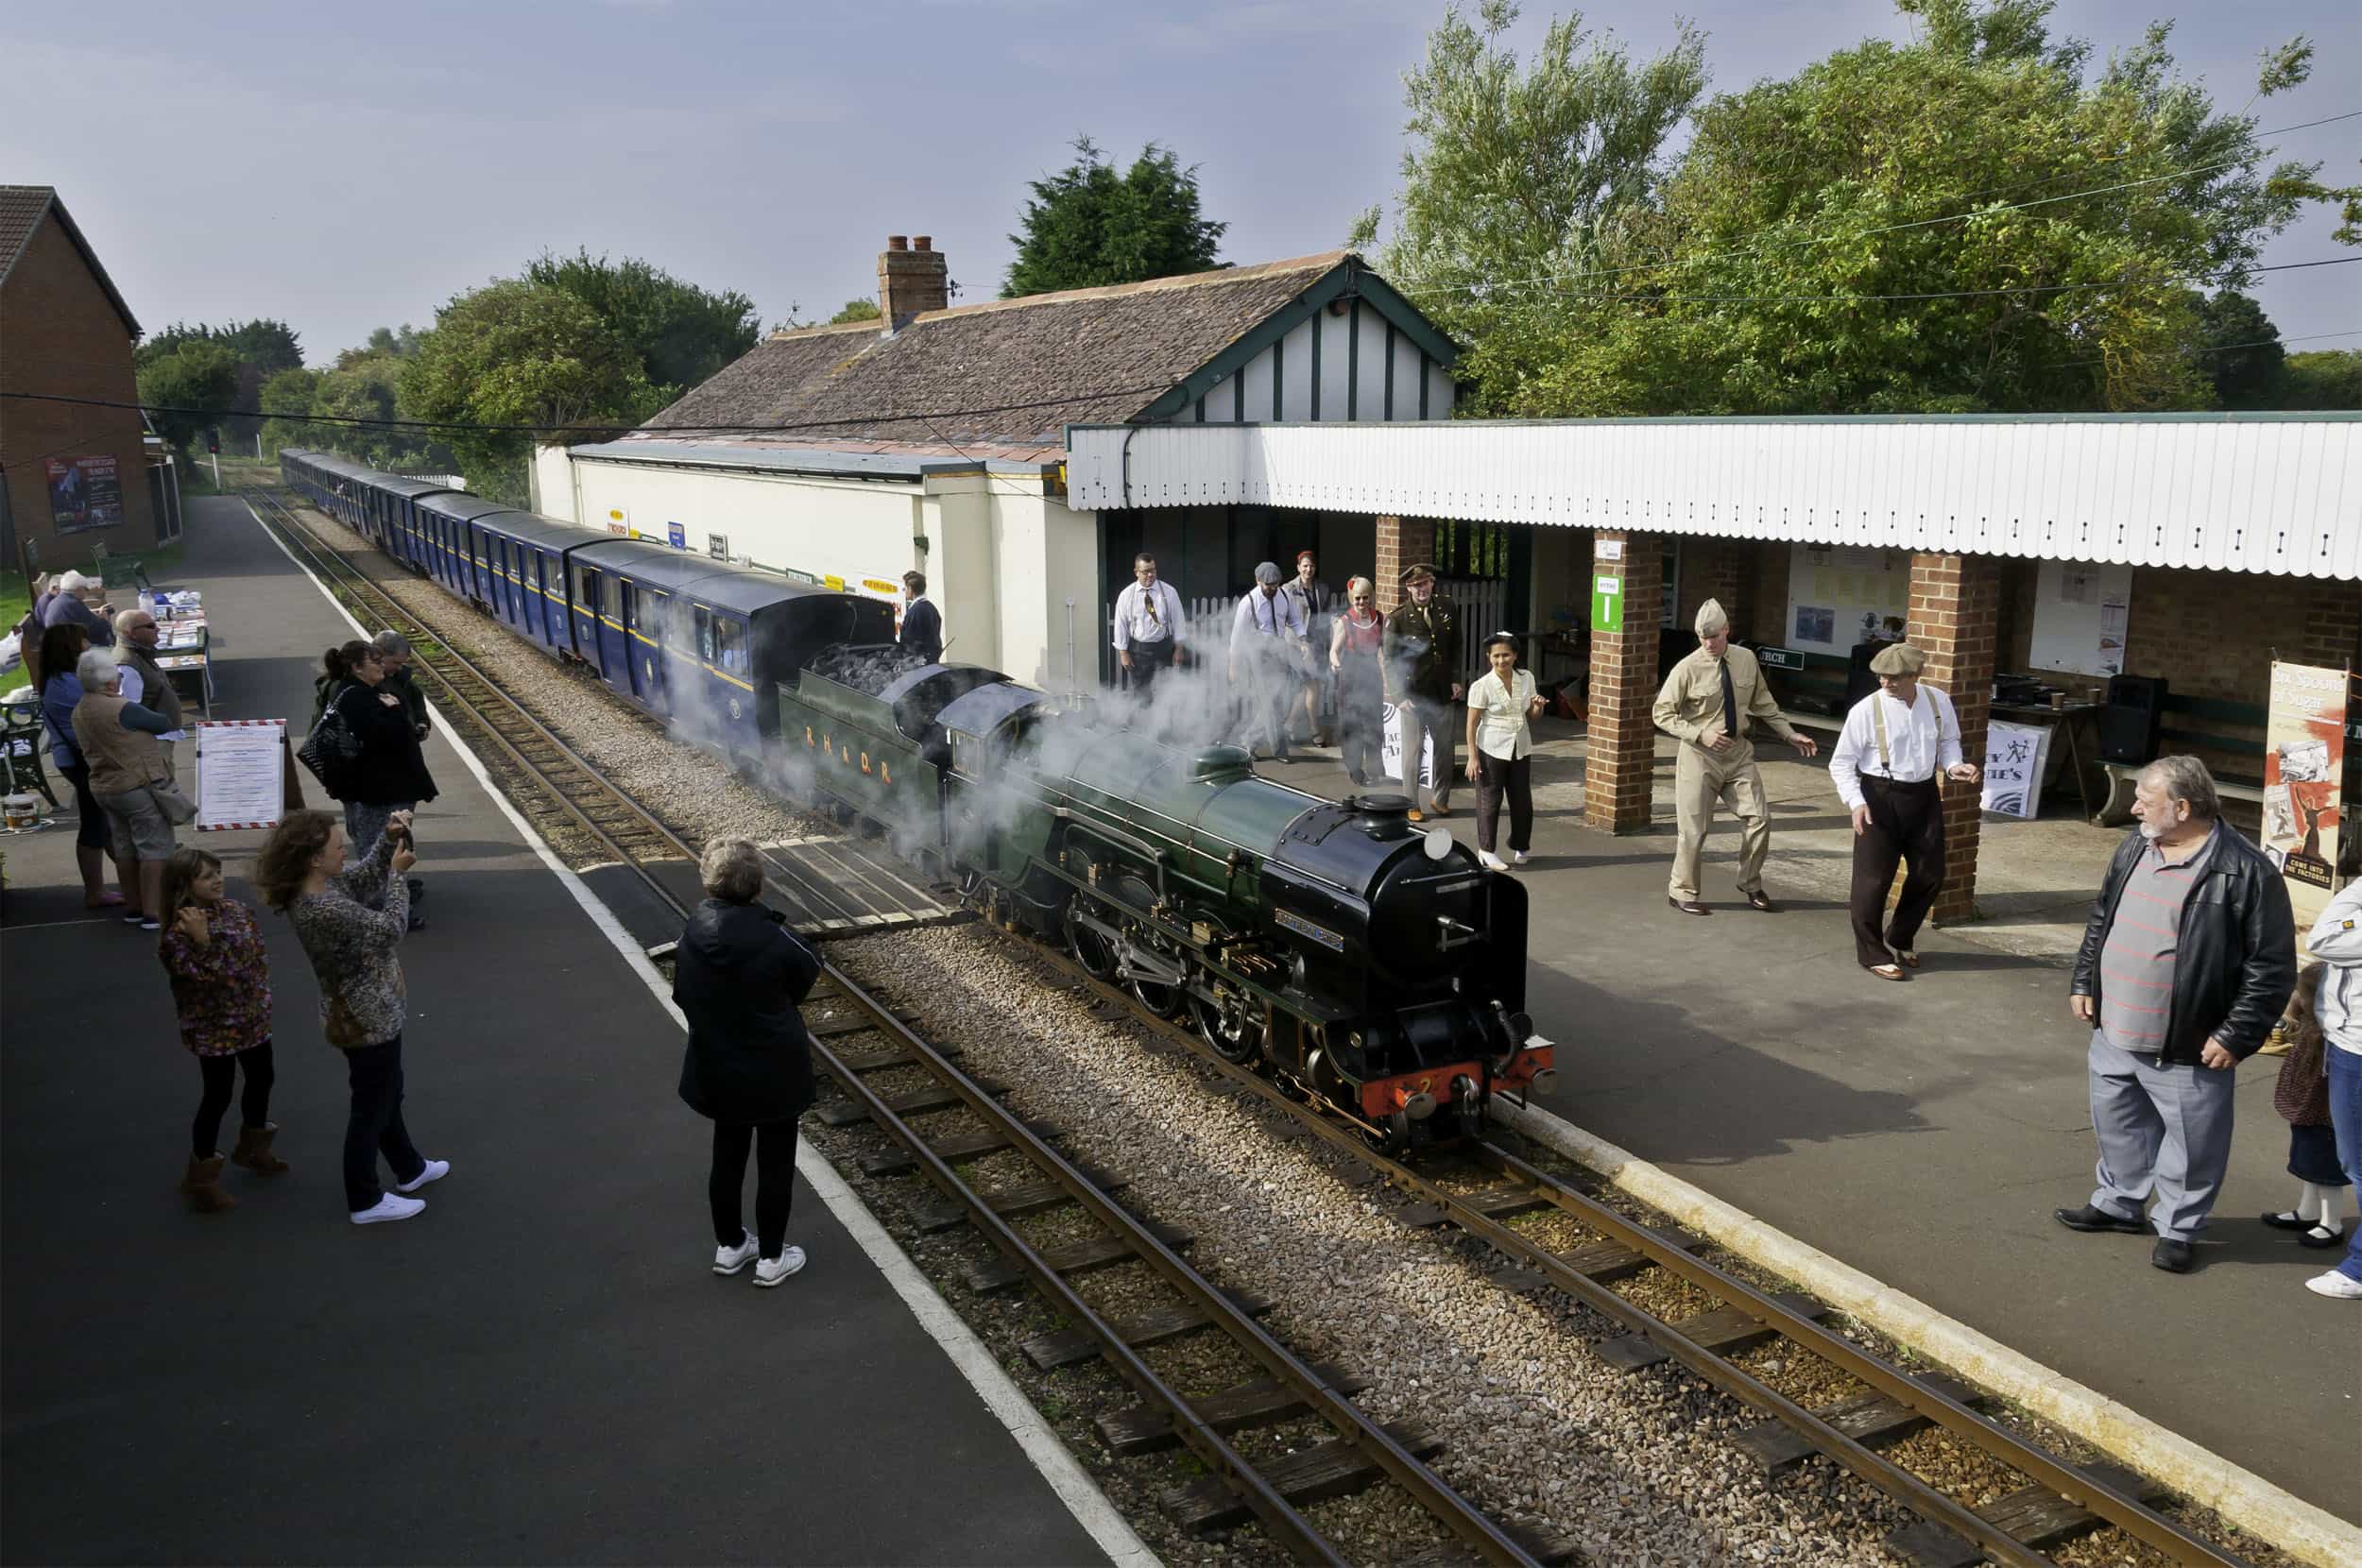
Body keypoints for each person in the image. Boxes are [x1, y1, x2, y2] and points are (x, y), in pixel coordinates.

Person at [2054, 756, 2296, 1274]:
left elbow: (2271, 967)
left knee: (2192, 1144)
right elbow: (2103, 917)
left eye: (2145, 797)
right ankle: (2118, 1204)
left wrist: (2236, 1034)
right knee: (2118, 1126)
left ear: (2182, 807)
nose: (2134, 804)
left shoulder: (2246, 870)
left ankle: (2179, 1227)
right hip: (2114, 1027)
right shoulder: (2134, 846)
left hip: (2189, 1040)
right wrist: (2084, 980)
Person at [256, 808, 445, 1226]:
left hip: (369, 1011)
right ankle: (364, 1198)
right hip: (364, 1018)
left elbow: (359, 879)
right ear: (313, 858)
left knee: (387, 1093)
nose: (344, 852)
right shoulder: (321, 907)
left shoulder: (319, 886)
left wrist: (386, 838)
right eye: (337, 847)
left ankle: (409, 1168)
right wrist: (398, 876)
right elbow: (390, 928)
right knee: (371, 1106)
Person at [675, 838, 818, 1287]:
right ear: (757, 886)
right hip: (775, 1068)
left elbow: (683, 994)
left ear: (709, 883)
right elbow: (807, 973)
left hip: (716, 1064)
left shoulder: (692, 933)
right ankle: (773, 1257)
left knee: (727, 1156)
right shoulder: (776, 938)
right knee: (776, 1162)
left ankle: (731, 1245)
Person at [1651, 598, 1820, 915]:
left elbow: (1763, 701)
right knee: (1693, 829)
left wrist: (1788, 733)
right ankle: (1682, 890)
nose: (1709, 643)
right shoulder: (1687, 668)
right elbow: (1661, 713)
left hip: (1738, 752)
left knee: (1759, 819)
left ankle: (1750, 883)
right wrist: (1700, 733)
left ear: (1727, 630)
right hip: (1700, 756)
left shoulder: (1745, 659)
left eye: (1714, 636)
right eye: (1703, 637)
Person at [1825, 641, 1980, 980]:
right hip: (1878, 796)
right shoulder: (1866, 711)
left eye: (1893, 678)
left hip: (1923, 794)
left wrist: (1955, 767)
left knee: (1930, 873)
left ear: (1915, 675)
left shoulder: (1939, 701)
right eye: (1881, 677)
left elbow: (1948, 742)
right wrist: (1856, 802)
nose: (1885, 683)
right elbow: (1841, 764)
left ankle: (1899, 935)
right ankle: (1872, 953)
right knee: (1873, 880)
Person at [158, 847, 282, 1213]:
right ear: (184, 885)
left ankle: (254, 1148)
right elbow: (211, 980)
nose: (217, 880)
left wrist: (259, 996)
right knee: (218, 1094)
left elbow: (254, 955)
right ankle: (201, 1177)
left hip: (251, 1017)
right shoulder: (177, 935)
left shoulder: (236, 910)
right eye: (206, 876)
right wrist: (203, 941)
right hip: (213, 1027)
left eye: (218, 872)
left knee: (262, 1078)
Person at [69, 648, 180, 932]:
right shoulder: (122, 708)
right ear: (108, 681)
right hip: (136, 784)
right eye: (116, 676)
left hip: (105, 787)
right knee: (153, 847)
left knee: (125, 847)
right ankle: (154, 912)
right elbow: (163, 722)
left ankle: (133, 906)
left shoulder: (80, 709)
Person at [36, 622, 133, 916]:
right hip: (84, 760)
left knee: (102, 822)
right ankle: (97, 891)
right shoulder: (69, 683)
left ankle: (129, 879)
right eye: (83, 640)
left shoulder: (57, 679)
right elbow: (103, 710)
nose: (88, 645)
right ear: (70, 645)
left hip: (74, 758)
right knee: (95, 823)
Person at [326, 639, 438, 878]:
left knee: (390, 846)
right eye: (375, 662)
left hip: (386, 789)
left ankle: (395, 898)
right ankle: (383, 906)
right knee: (380, 850)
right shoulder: (355, 696)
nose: (381, 667)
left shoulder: (368, 691)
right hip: (378, 792)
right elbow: (386, 736)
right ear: (358, 667)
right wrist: (395, 710)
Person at [2262, 964, 2352, 1251]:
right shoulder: (2312, 1026)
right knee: (2309, 1157)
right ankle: (2308, 1211)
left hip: (2322, 1104)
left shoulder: (2333, 1034)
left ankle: (2331, 1222)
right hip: (2308, 1100)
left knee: (2324, 1161)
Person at [2304, 878, 2362, 1299]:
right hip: (2346, 1039)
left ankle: (2359, 1268)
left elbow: (2323, 938)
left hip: (2357, 1048)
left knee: (2358, 1162)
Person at [1381, 564, 1463, 819]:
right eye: (1416, 585)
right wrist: (1398, 696)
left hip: (1442, 691)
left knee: (1445, 749)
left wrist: (1456, 679)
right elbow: (1390, 661)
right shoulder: (1398, 619)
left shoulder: (1447, 606)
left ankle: (1440, 799)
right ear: (1408, 588)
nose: (1422, 589)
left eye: (1426, 582)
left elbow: (1456, 645)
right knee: (1413, 752)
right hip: (1414, 694)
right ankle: (1411, 804)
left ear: (1432, 583)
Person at [1463, 633, 1545, 872]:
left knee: (1522, 801)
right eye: (1496, 656)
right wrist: (1472, 756)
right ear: (1489, 657)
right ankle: (1486, 850)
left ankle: (1521, 845)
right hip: (1491, 748)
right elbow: (1471, 724)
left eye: (1506, 655)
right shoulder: (1482, 686)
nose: (1502, 660)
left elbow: (1532, 715)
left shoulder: (1526, 678)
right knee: (1490, 800)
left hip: (1520, 746)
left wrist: (1538, 707)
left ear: (1515, 656)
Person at [1228, 562, 1309, 762]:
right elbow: (1236, 637)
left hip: (1280, 652)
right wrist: (1233, 664)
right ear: (1258, 581)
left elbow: (1295, 621)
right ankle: (1280, 751)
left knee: (1277, 702)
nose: (1273, 588)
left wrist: (1303, 640)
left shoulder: (1284, 596)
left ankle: (1249, 740)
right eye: (1268, 585)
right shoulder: (1248, 603)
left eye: (1276, 584)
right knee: (1272, 703)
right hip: (1259, 656)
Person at [112, 609, 187, 777]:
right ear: (131, 633)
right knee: (163, 789)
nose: (157, 629)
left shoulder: (140, 653)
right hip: (152, 742)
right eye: (150, 626)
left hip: (160, 737)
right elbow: (128, 710)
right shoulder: (126, 663)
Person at [1329, 577, 1386, 786]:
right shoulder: (1344, 621)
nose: (1362, 603)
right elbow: (1334, 651)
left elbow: (1385, 652)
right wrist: (1335, 662)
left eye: (1365, 599)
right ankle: (1354, 769)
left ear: (1371, 598)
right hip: (1350, 677)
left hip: (1372, 676)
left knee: (1374, 725)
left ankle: (1375, 769)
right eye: (1357, 599)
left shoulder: (1380, 619)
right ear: (1352, 599)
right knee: (1351, 725)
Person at [1111, 553, 1187, 701]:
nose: (1151, 575)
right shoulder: (1126, 595)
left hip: (1164, 649)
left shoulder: (1169, 592)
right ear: (1136, 572)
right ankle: (1142, 724)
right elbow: (1120, 625)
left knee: (1166, 693)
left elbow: (1179, 621)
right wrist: (1123, 653)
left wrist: (1179, 649)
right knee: (1141, 696)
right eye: (1146, 571)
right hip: (1139, 652)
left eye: (1153, 570)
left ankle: (1164, 724)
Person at [1279, 551, 1335, 747]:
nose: (1308, 569)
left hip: (1317, 645)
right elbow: (1284, 618)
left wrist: (1329, 647)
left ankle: (1289, 725)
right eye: (1304, 565)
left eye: (1311, 565)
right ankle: (1315, 730)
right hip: (1296, 646)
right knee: (1313, 687)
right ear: (1298, 568)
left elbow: (1326, 619)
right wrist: (1303, 643)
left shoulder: (1323, 589)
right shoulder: (1288, 589)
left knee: (1307, 689)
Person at [372, 630, 431, 743]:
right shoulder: (369, 681)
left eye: (402, 663)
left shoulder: (401, 677)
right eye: (396, 663)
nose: (399, 668)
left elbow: (417, 697)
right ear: (379, 655)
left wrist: (422, 722)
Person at [41, 570, 114, 646]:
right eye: (86, 589)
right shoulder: (73, 604)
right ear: (78, 589)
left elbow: (85, 622)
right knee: (108, 638)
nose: (87, 592)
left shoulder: (57, 601)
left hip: (59, 644)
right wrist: (105, 619)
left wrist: (94, 617)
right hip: (72, 649)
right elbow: (98, 631)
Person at [898, 572, 943, 663]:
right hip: (932, 661)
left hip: (917, 663)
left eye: (905, 588)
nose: (904, 590)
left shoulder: (915, 611)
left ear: (910, 588)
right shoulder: (932, 608)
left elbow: (907, 641)